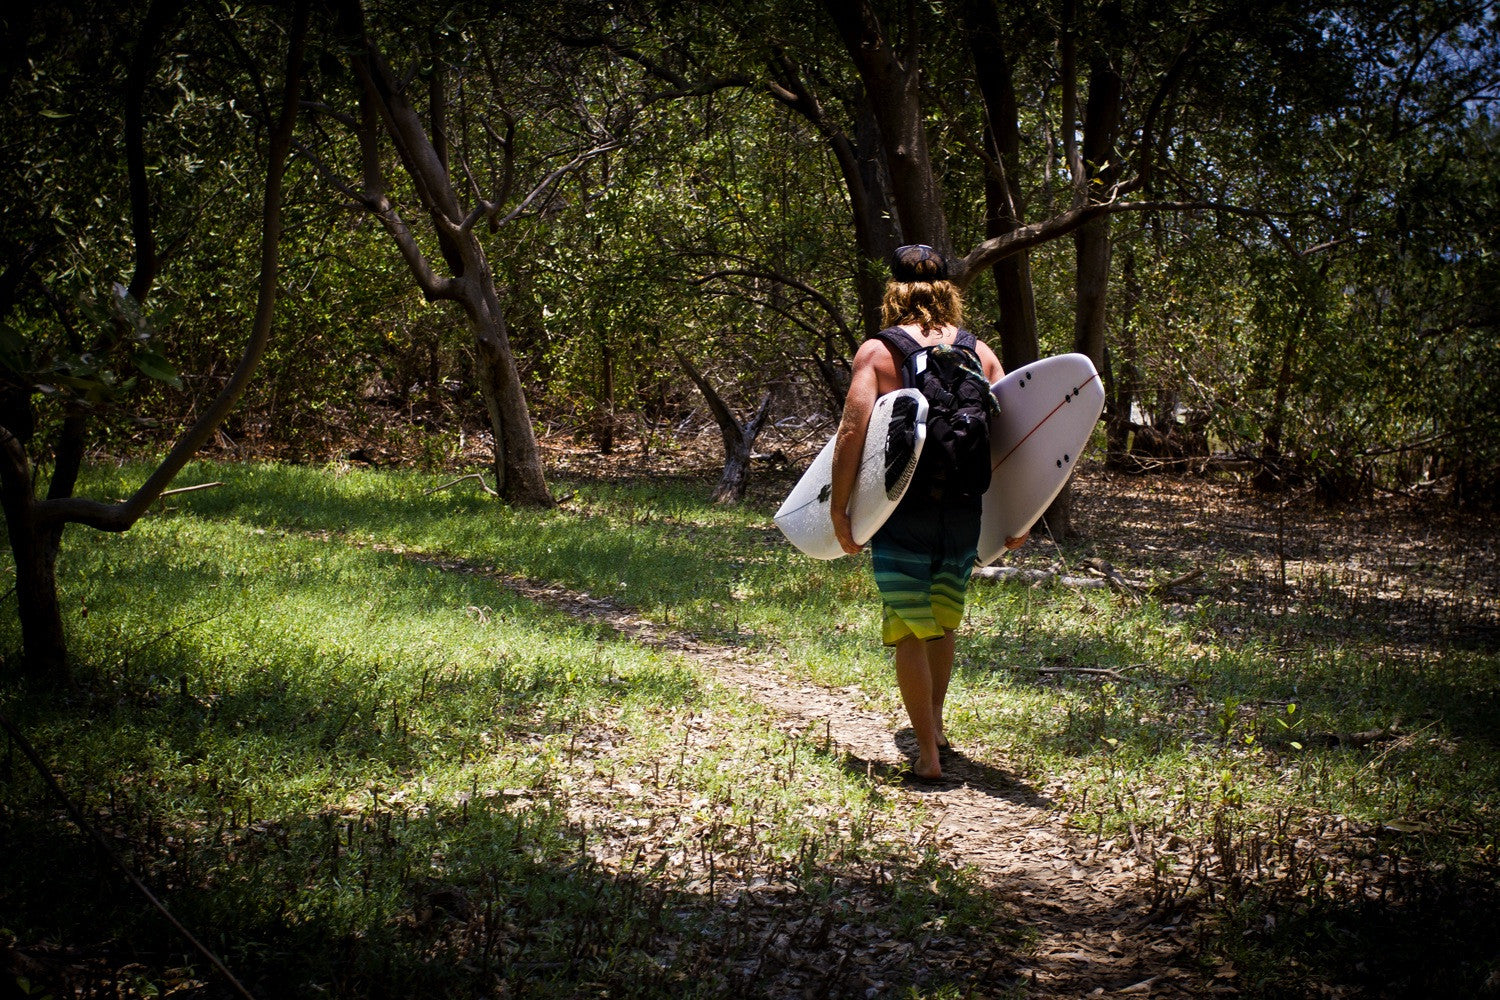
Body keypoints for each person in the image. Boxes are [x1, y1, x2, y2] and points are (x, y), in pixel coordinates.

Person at [829, 244, 1027, 783]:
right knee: (941, 622)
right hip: (964, 508)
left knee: (909, 629)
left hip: (902, 509)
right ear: (947, 291)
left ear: (892, 292)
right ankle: (935, 726)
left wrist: (841, 511)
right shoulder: (979, 351)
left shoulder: (878, 352)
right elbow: (1015, 440)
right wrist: (1021, 514)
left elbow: (852, 435)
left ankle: (928, 754)